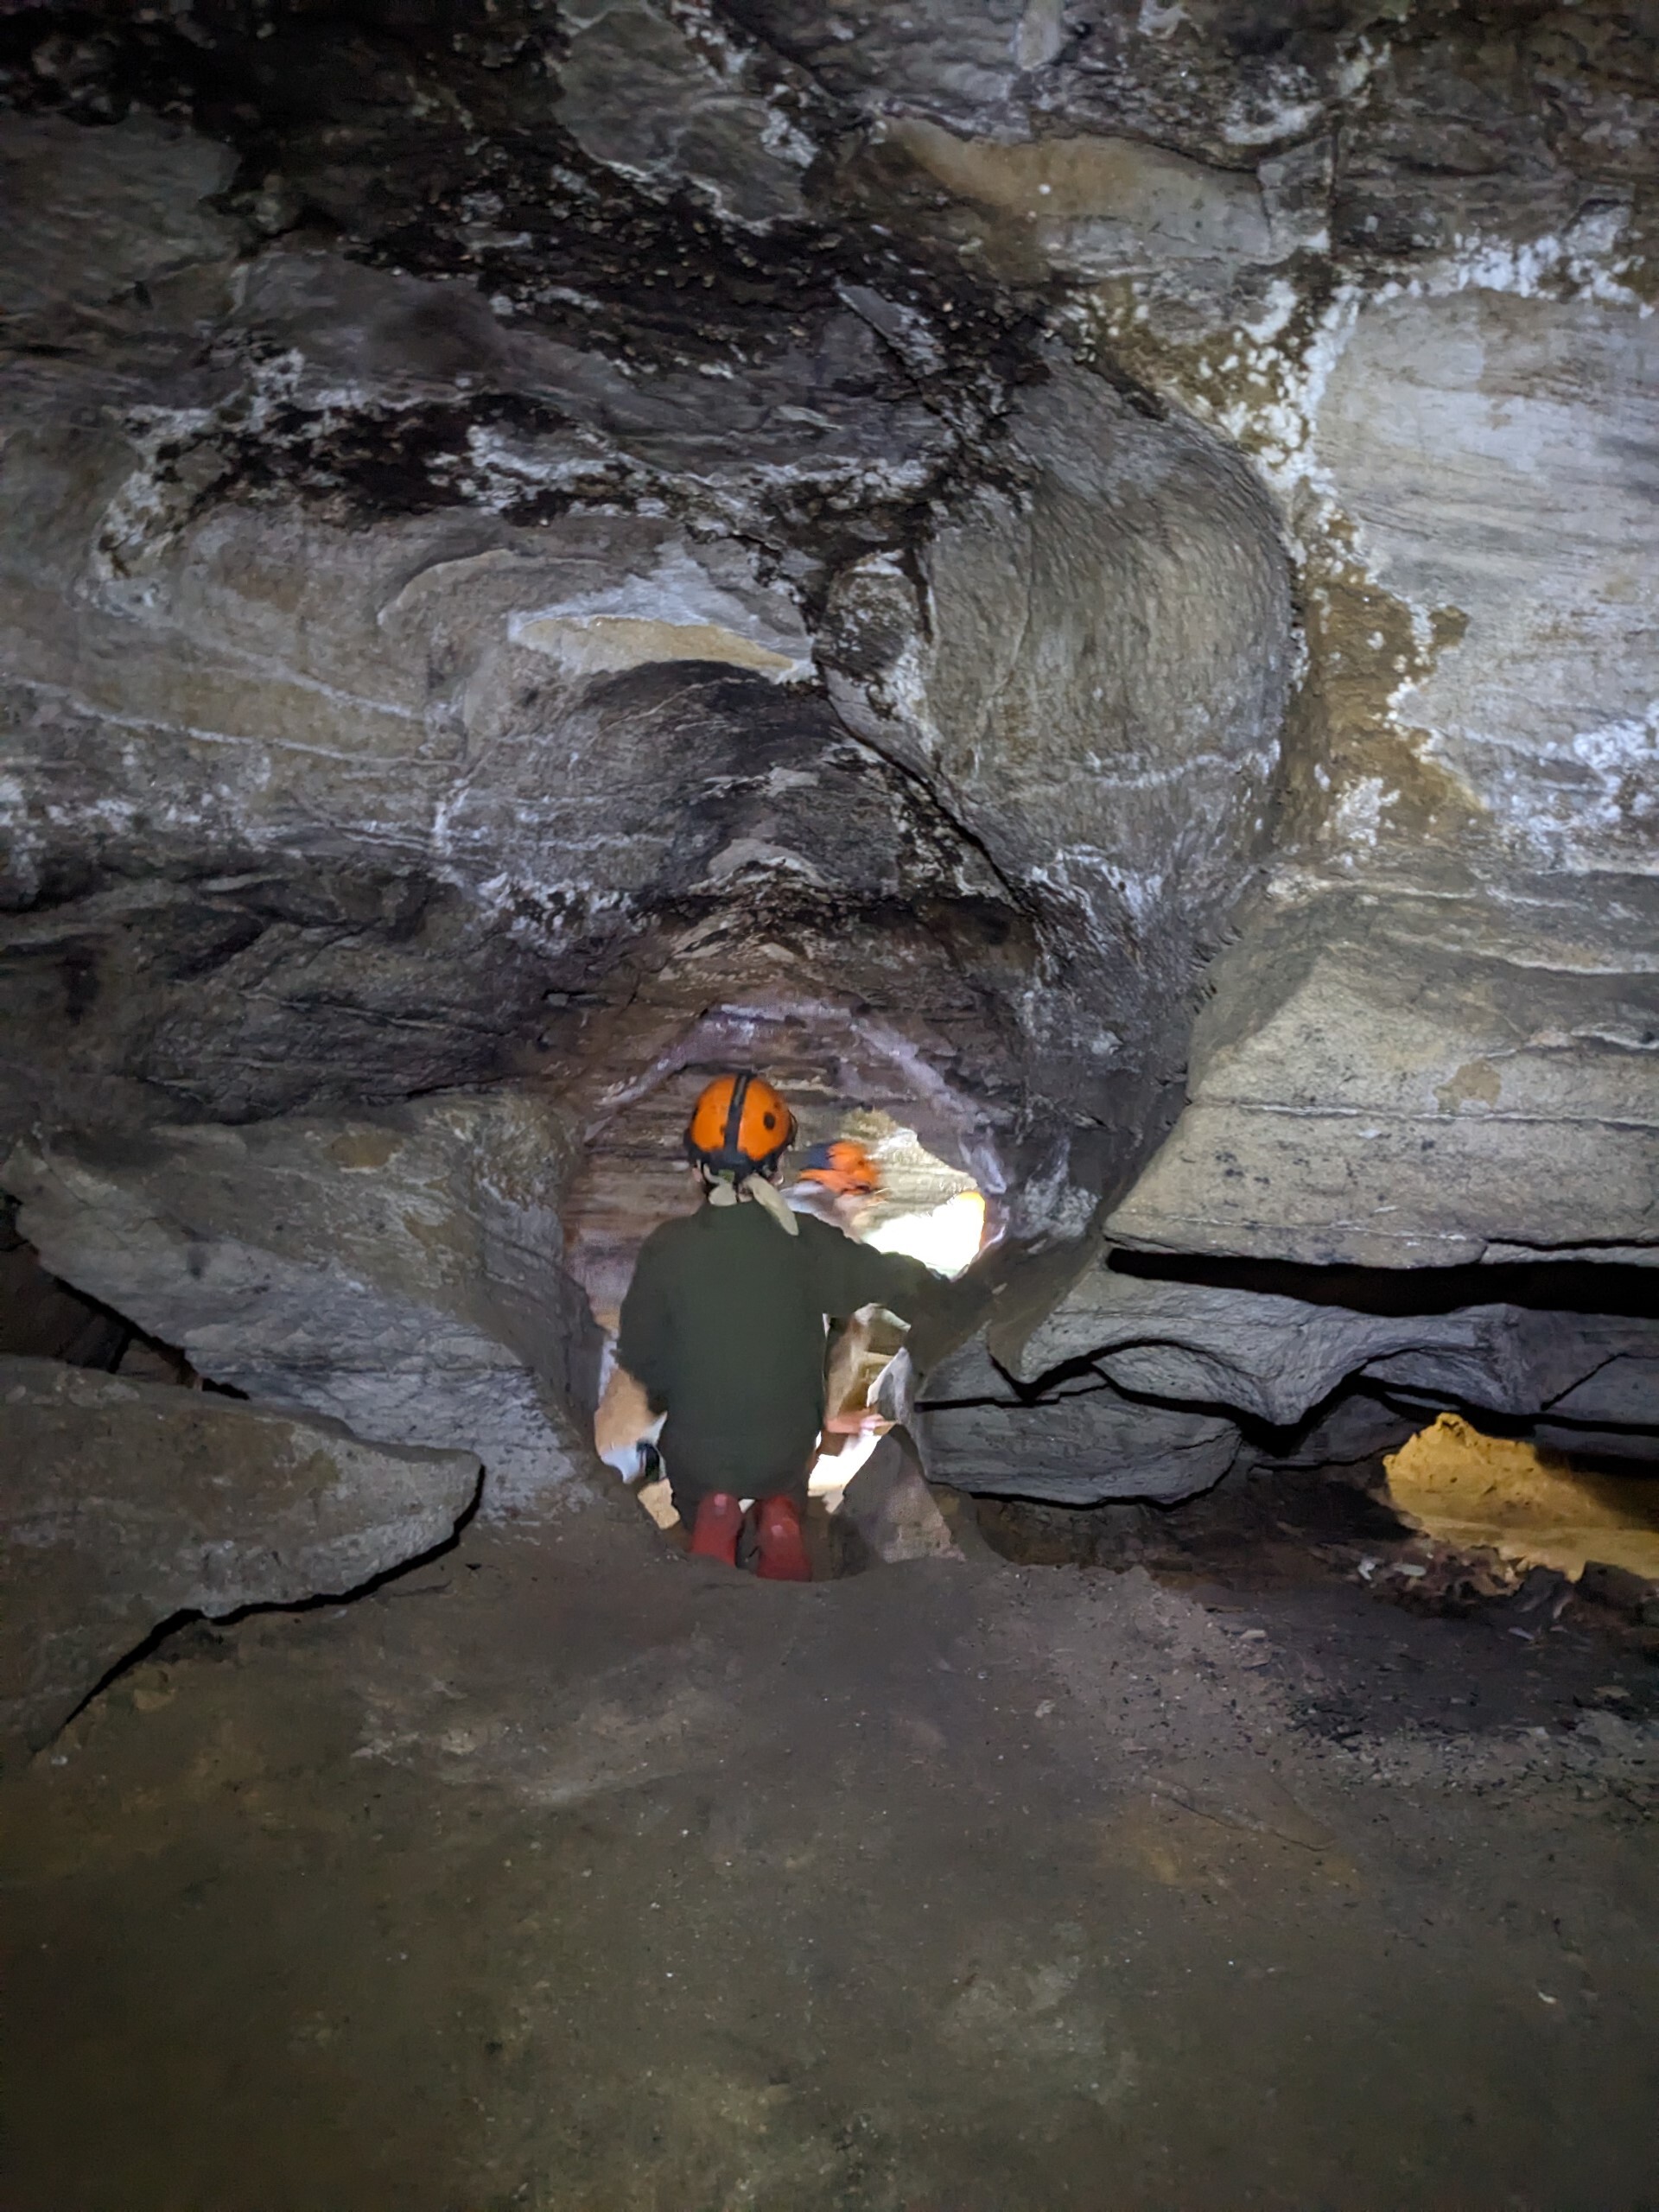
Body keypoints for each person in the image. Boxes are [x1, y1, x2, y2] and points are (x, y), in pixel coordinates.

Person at [613, 1073, 949, 1583]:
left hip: (701, 1448)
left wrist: (678, 1385)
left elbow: (639, 1353)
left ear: (696, 1166)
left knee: (692, 1464)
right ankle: (780, 1516)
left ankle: (714, 1512)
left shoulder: (668, 1247)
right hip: (784, 1447)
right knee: (786, 1461)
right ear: (775, 1165)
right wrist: (957, 1294)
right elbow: (892, 1279)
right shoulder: (805, 1242)